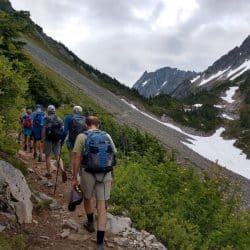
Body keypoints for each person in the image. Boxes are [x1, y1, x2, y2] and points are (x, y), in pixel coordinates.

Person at [72, 116, 117, 250]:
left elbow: (77, 158)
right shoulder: (107, 136)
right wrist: (112, 174)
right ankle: (99, 243)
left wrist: (74, 177)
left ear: (87, 125)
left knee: (87, 197)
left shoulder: (82, 136)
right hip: (105, 173)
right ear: (98, 125)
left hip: (87, 172)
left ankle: (90, 222)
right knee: (102, 207)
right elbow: (113, 155)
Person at [42, 105, 65, 180]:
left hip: (48, 139)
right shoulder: (59, 119)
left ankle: (49, 173)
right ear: (54, 111)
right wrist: (61, 139)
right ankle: (62, 170)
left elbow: (44, 129)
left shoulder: (46, 118)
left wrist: (43, 139)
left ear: (48, 111)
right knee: (57, 155)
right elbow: (63, 130)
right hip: (56, 139)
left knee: (47, 156)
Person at [62, 105, 86, 170]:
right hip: (81, 141)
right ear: (80, 112)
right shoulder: (84, 118)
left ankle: (72, 172)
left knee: (72, 156)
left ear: (73, 110)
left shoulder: (69, 118)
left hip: (71, 140)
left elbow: (65, 131)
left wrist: (62, 140)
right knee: (79, 156)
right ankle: (78, 172)